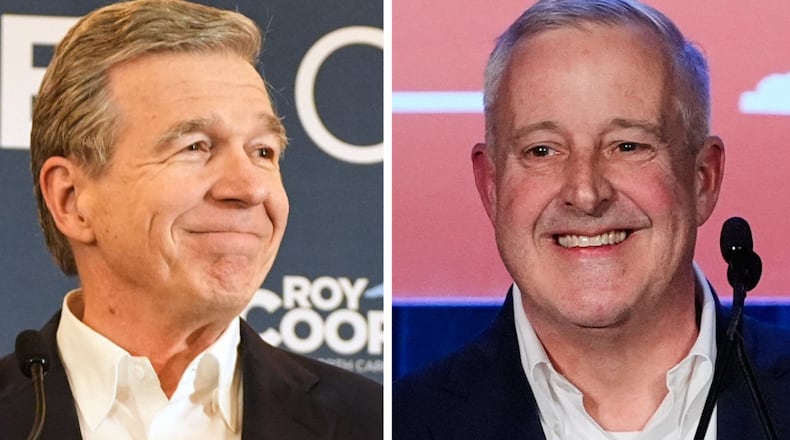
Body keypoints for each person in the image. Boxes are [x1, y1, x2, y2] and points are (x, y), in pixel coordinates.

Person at [394, 0, 790, 438]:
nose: (585, 193)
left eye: (627, 146)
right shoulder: (402, 421)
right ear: (491, 185)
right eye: (542, 150)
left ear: (703, 179)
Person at [0, 0, 382, 438]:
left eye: (263, 152)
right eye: (195, 146)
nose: (250, 188)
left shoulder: (371, 420)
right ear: (72, 199)